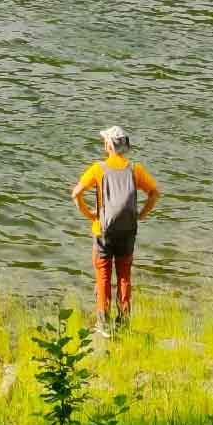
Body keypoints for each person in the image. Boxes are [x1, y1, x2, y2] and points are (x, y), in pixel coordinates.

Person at [72, 124, 158, 325]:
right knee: (124, 274)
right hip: (128, 230)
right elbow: (155, 193)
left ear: (109, 145)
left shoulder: (98, 169)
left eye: (105, 141)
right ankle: (124, 321)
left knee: (103, 275)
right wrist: (141, 215)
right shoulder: (135, 169)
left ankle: (103, 322)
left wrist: (90, 215)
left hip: (103, 230)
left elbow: (76, 194)